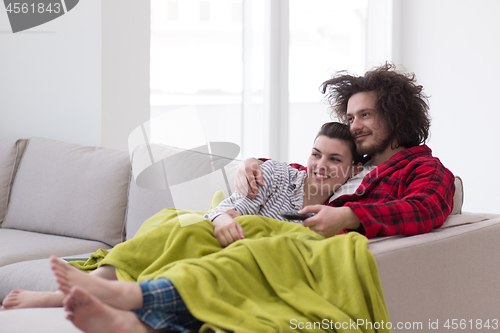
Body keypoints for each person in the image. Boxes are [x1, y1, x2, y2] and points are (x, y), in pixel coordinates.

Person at [1, 122, 363, 311]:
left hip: (252, 258)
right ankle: (92, 283)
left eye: (334, 160)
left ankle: (93, 295)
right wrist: (222, 219)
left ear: (350, 169)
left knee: (202, 267)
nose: (321, 165)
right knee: (179, 225)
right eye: (317, 154)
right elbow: (236, 205)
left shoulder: (343, 209)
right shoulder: (280, 174)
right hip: (224, 234)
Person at [236, 62, 455, 239]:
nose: (354, 126)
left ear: (395, 117)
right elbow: (306, 173)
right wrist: (254, 163)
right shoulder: (356, 167)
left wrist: (349, 216)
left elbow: (423, 208)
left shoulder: (424, 168)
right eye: (350, 118)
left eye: (365, 115)